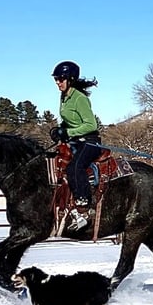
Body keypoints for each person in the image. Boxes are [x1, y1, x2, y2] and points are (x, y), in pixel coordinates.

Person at [48, 60, 101, 231]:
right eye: (56, 79)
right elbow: (68, 121)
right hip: (75, 141)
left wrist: (68, 133)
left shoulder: (79, 98)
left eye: (60, 79)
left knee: (75, 167)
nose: (58, 82)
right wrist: (60, 129)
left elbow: (91, 125)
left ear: (70, 79)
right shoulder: (64, 96)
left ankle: (83, 208)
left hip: (89, 142)